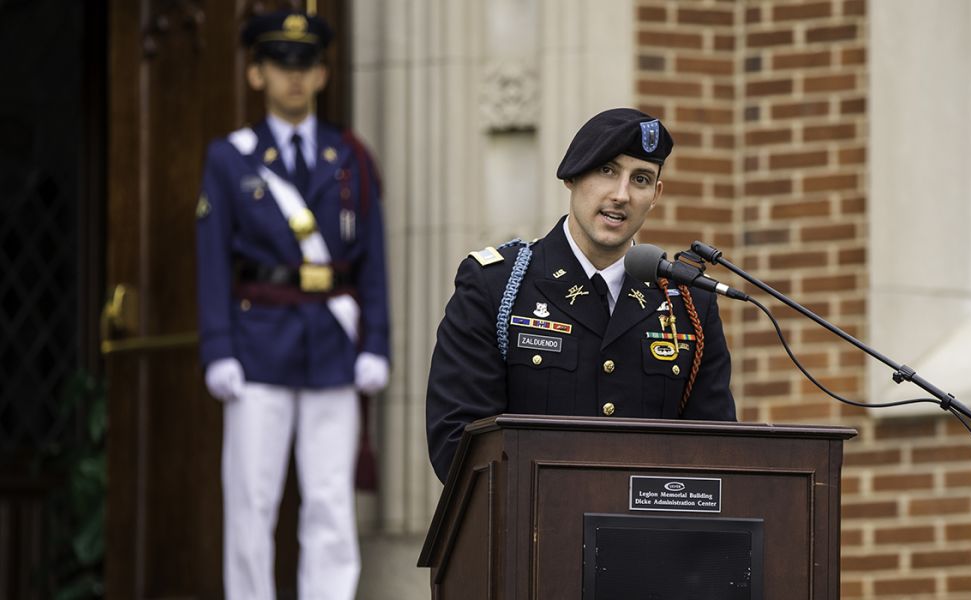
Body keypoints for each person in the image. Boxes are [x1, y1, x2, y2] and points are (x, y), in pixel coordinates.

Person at [425, 108, 736, 482]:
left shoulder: (687, 302)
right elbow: (457, 442)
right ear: (572, 174)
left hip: (648, 536)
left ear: (655, 195)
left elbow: (718, 450)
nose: (621, 195)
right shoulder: (496, 284)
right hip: (533, 531)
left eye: (640, 179)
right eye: (607, 171)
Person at [194, 10, 389, 600]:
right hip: (257, 347)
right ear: (256, 74)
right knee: (252, 500)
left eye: (306, 65)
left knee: (330, 500)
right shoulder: (232, 157)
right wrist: (218, 349)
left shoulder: (348, 156)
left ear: (324, 74)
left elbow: (373, 259)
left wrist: (376, 342)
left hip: (332, 343)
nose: (294, 77)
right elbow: (210, 261)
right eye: (281, 64)